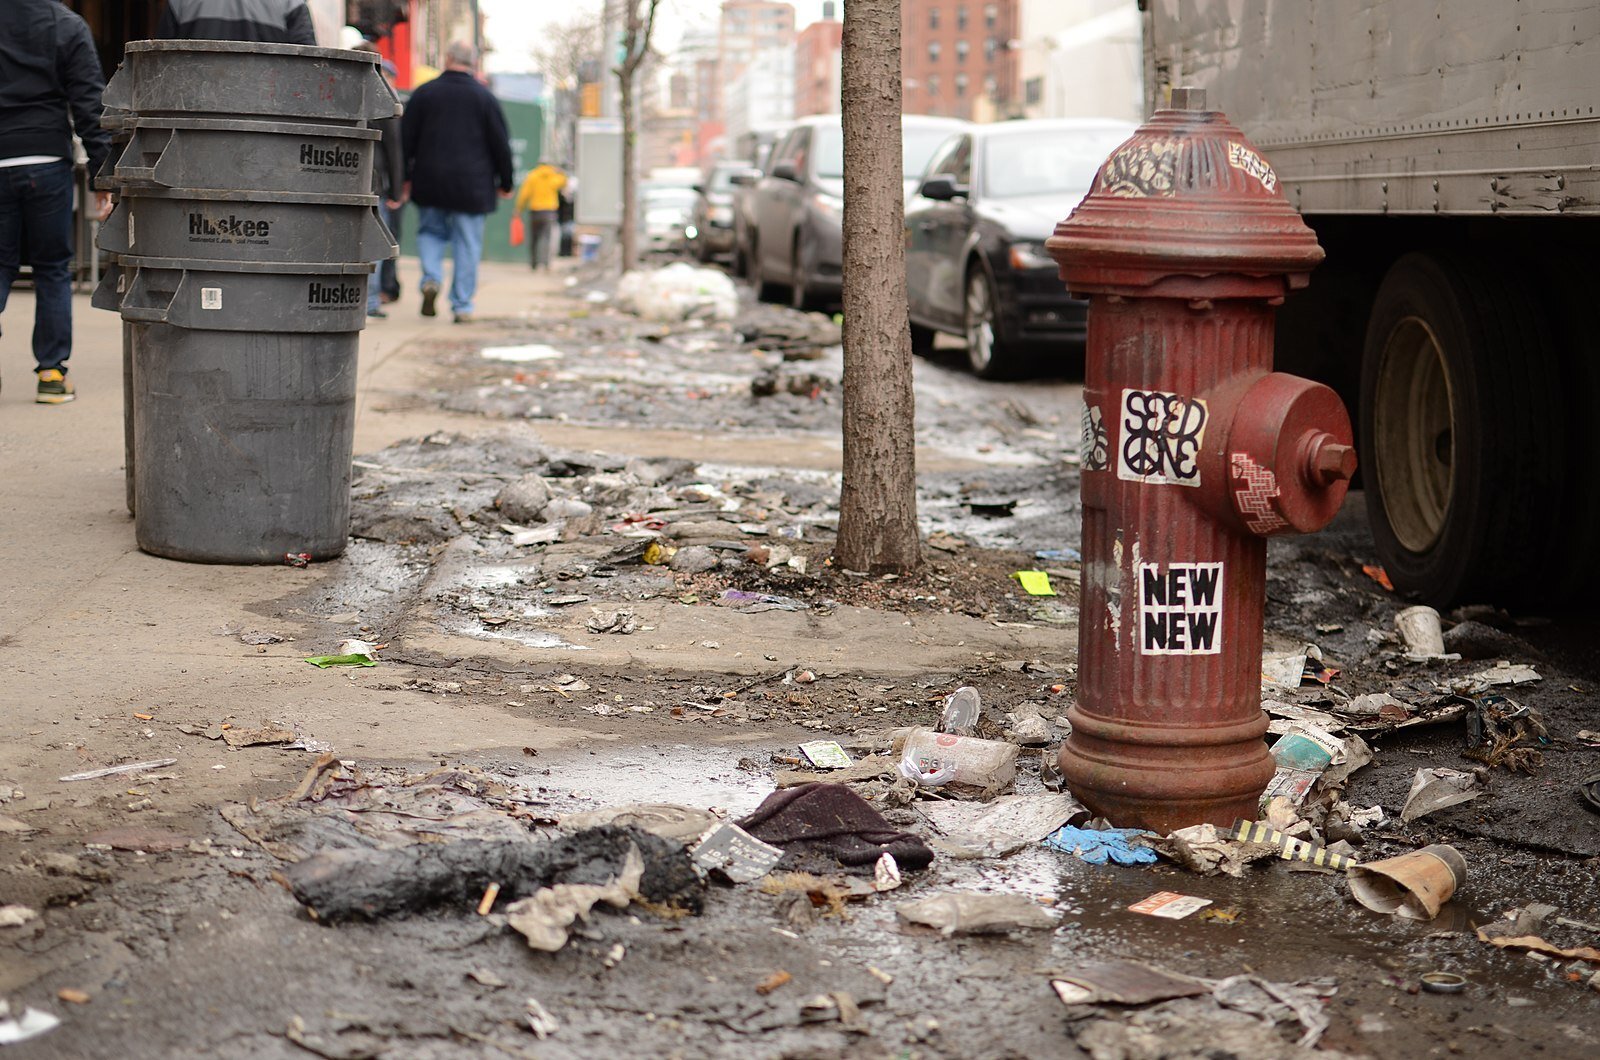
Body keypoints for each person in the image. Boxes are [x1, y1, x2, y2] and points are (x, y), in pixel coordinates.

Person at [0, 0, 113, 404]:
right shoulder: (65, 24)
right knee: (51, 269)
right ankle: (51, 374)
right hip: (46, 161)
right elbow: (89, 104)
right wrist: (104, 175)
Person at [401, 41, 512, 324]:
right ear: (473, 62)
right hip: (472, 185)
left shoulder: (424, 94)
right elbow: (500, 144)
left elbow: (405, 141)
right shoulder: (485, 98)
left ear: (447, 58)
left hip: (430, 179)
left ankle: (431, 278)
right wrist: (506, 182)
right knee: (468, 243)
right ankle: (462, 305)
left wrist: (403, 179)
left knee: (431, 233)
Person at [351, 43, 404, 319]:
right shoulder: (383, 96)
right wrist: (396, 188)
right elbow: (394, 147)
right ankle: (370, 302)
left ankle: (350, 299)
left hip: (342, 179)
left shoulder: (339, 90)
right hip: (374, 182)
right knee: (374, 241)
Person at [156, 0, 318, 45]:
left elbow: (160, 59)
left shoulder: (178, 2)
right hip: (267, 116)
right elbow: (308, 66)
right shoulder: (292, 2)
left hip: (194, 115)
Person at [513, 160, 566, 270]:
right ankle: (545, 264)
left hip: (535, 210)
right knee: (546, 238)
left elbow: (524, 194)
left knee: (534, 238)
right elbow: (563, 181)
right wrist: (560, 172)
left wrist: (518, 209)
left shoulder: (532, 176)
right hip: (549, 211)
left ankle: (534, 264)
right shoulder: (553, 176)